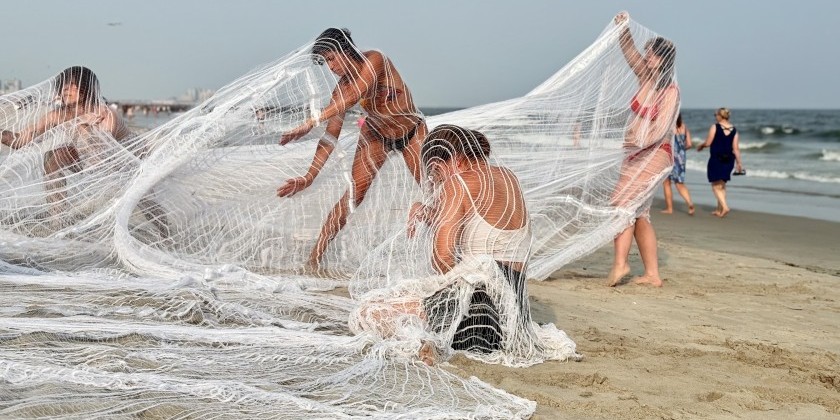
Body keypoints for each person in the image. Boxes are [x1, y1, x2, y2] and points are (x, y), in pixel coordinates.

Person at [354, 125, 533, 365]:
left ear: (455, 160)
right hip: (511, 314)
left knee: (367, 313)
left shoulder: (458, 184)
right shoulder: (508, 177)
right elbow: (483, 228)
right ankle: (429, 337)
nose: (436, 182)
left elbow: (442, 259)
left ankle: (428, 342)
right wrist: (430, 213)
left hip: (474, 312)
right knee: (404, 302)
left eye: (437, 174)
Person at [276, 28, 427, 269]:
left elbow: (357, 93)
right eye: (326, 63)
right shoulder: (340, 90)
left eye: (332, 58)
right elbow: (330, 137)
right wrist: (309, 177)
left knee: (434, 189)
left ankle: (459, 248)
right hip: (376, 135)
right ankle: (314, 260)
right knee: (352, 196)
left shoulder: (376, 59)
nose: (331, 67)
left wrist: (310, 121)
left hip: (411, 131)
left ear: (346, 49)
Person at [1, 66, 168, 236]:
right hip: (89, 158)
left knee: (144, 199)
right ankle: (57, 220)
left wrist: (82, 123)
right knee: (52, 156)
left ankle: (166, 233)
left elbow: (102, 152)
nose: (66, 89)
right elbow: (21, 139)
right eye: (63, 85)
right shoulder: (58, 115)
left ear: (86, 88)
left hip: (128, 158)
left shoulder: (105, 114)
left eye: (72, 85)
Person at [607, 12, 680, 288]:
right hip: (635, 154)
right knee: (639, 213)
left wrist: (637, 142)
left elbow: (661, 130)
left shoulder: (670, 91)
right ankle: (652, 274)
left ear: (662, 60)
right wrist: (624, 29)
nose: (646, 57)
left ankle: (620, 264)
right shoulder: (644, 80)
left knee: (623, 203)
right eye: (647, 53)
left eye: (651, 54)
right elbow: (629, 52)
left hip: (654, 153)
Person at [696, 107, 742, 218]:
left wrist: (701, 146)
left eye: (715, 114)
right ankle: (719, 210)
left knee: (715, 186)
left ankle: (725, 207)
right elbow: (736, 149)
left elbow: (708, 142)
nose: (715, 116)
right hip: (729, 159)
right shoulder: (734, 130)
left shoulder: (715, 127)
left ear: (720, 116)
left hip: (716, 158)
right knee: (721, 185)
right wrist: (739, 163)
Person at [661, 113, 695, 215]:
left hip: (669, 158)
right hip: (681, 158)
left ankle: (669, 209)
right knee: (680, 183)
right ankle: (690, 203)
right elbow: (689, 144)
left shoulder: (668, 127)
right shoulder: (684, 127)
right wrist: (681, 150)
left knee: (666, 184)